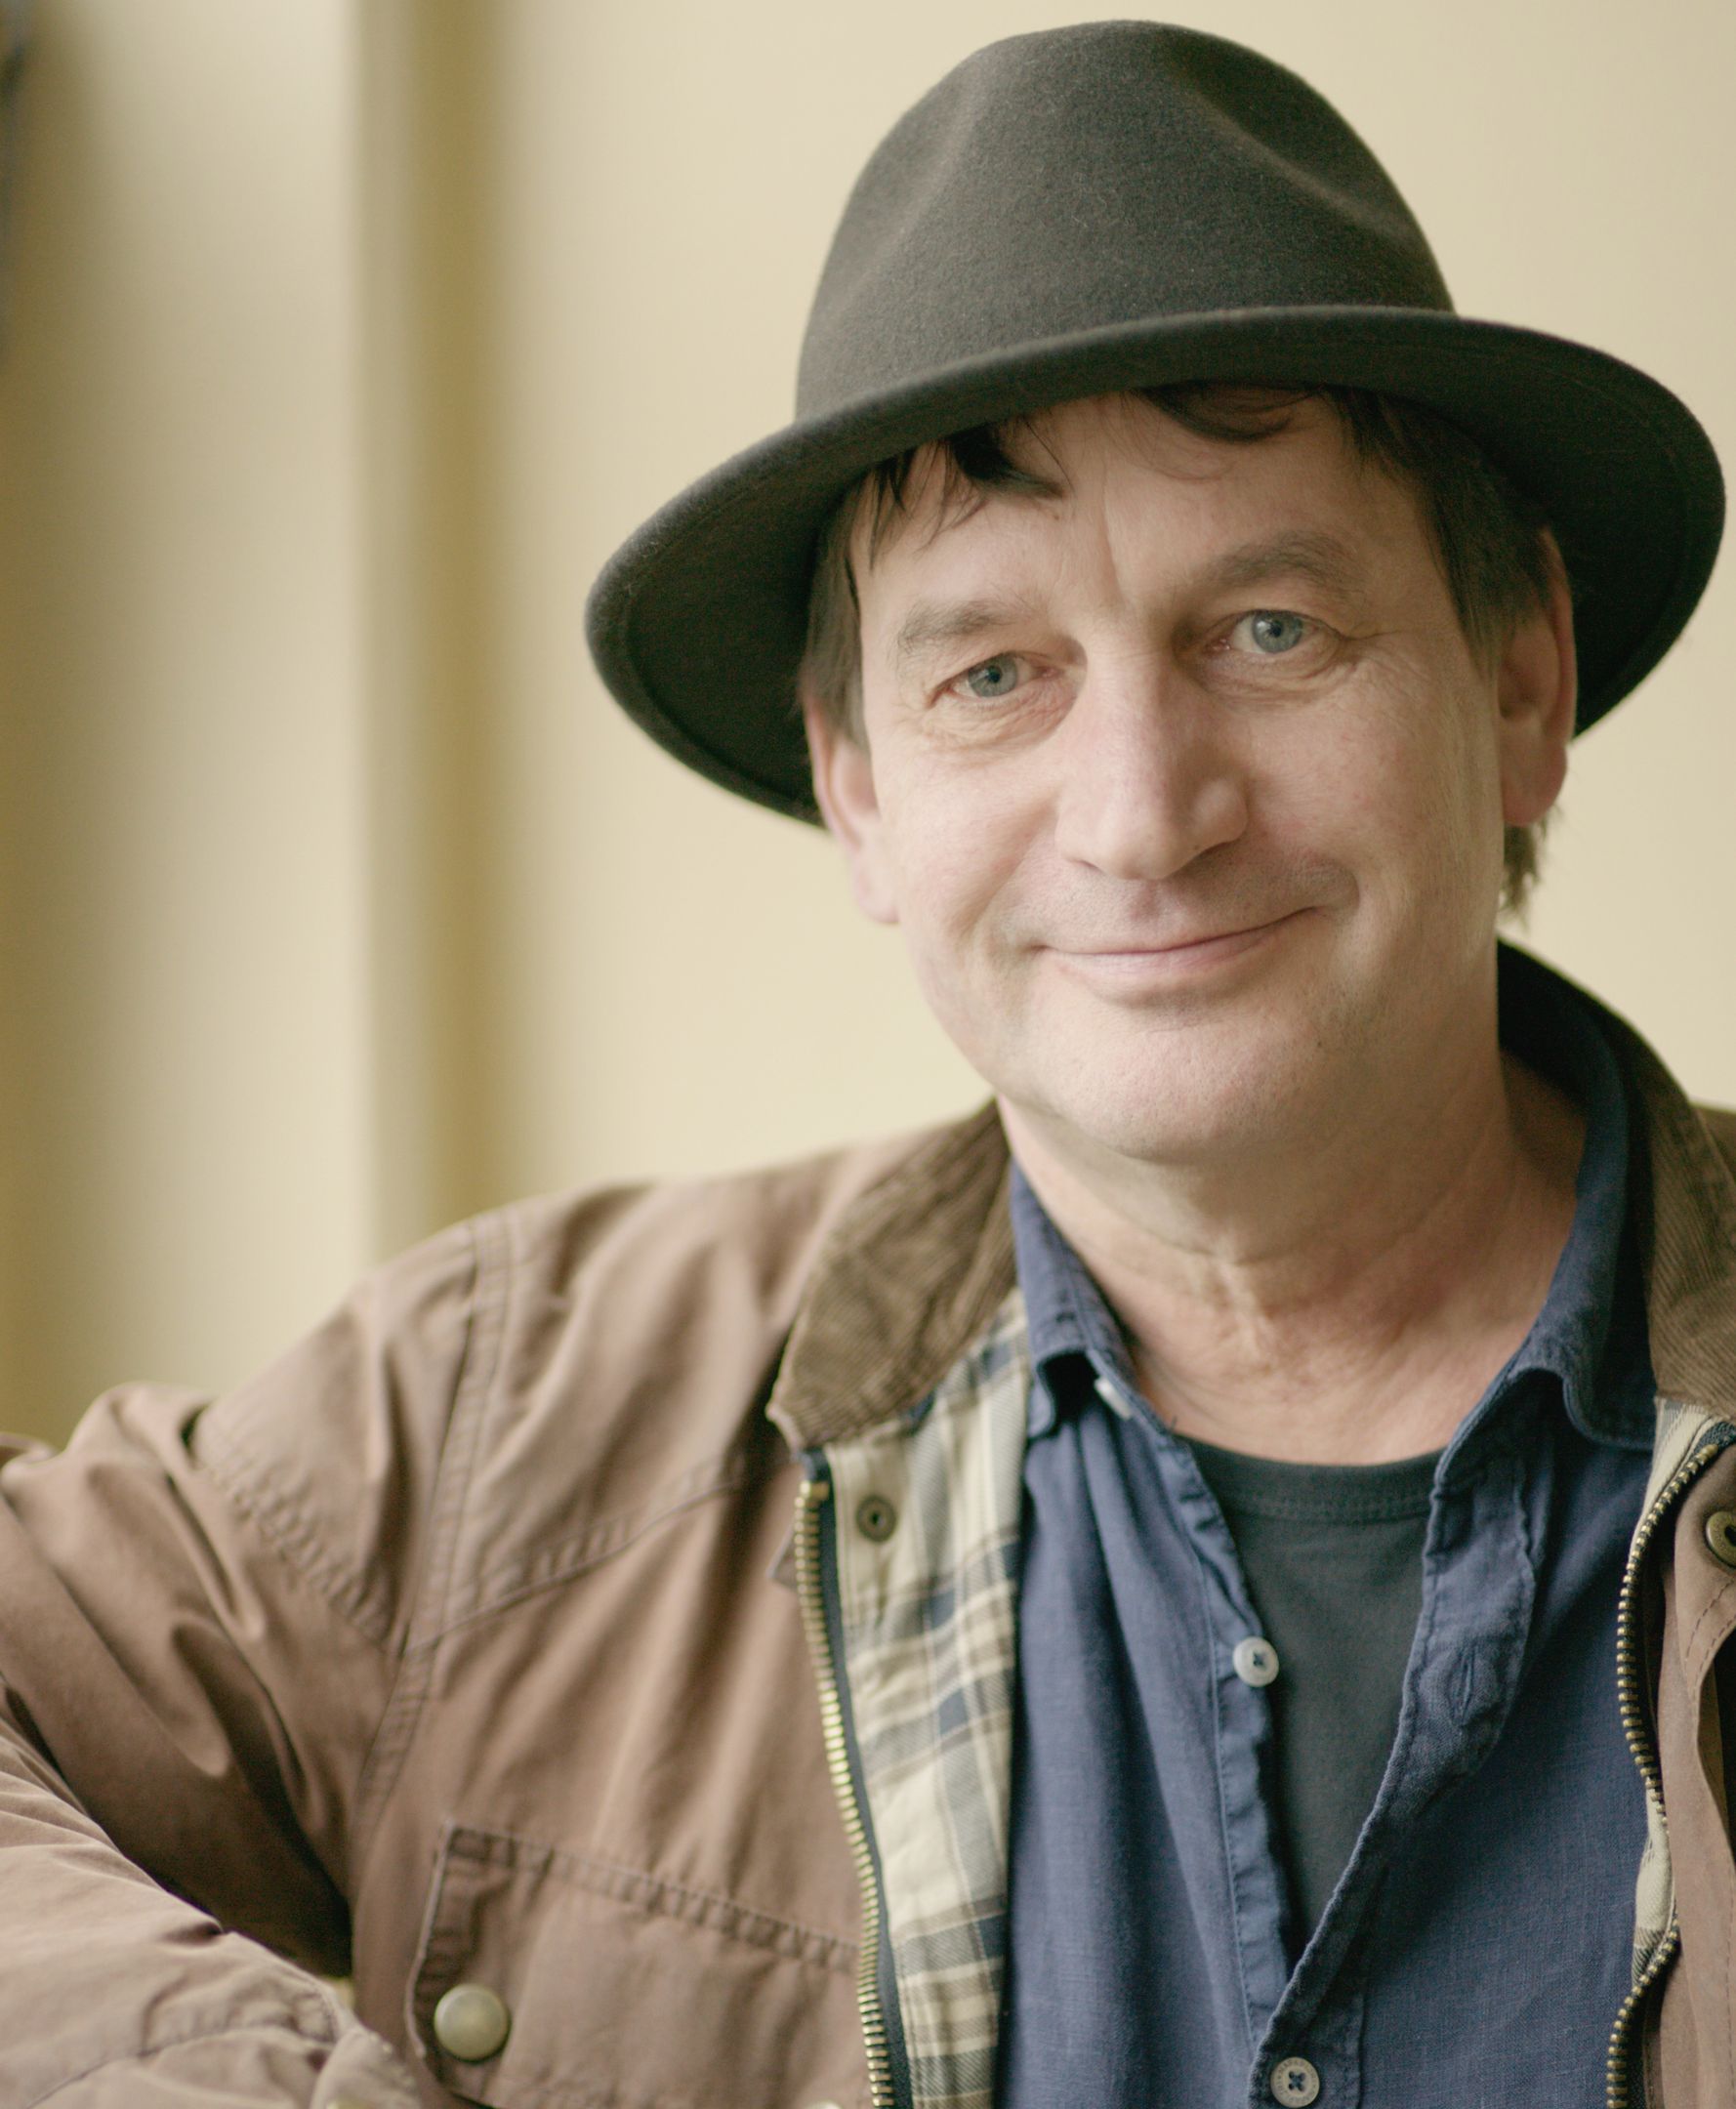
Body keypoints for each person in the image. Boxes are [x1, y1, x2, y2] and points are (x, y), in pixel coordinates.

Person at [0, 19, 1727, 2109]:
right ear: (858, 793)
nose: (1140, 814)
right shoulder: (493, 1432)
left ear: (1519, 679)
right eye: (994, 674)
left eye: (1268, 630)